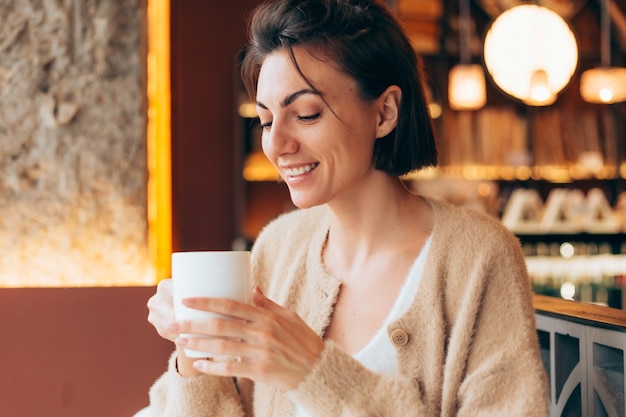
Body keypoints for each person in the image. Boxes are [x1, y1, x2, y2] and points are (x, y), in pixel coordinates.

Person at [145, 0, 550, 416]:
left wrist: (315, 373)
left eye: (306, 114)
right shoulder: (278, 246)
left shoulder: (478, 256)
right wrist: (193, 351)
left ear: (385, 112)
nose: (277, 144)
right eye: (266, 121)